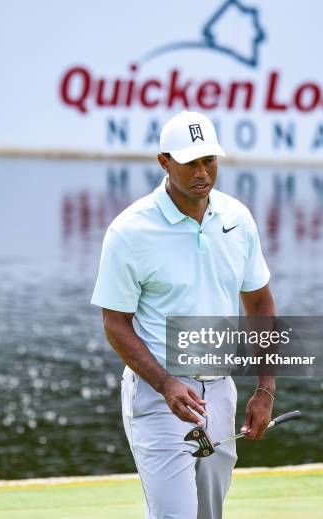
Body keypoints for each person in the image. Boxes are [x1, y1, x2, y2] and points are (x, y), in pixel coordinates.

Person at [91, 110, 276, 519]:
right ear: (164, 162)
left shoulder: (237, 219)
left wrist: (265, 388)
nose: (202, 172)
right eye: (189, 161)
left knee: (209, 514)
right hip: (159, 396)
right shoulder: (129, 231)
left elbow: (260, 303)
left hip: (220, 393)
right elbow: (115, 323)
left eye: (209, 160)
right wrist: (166, 384)